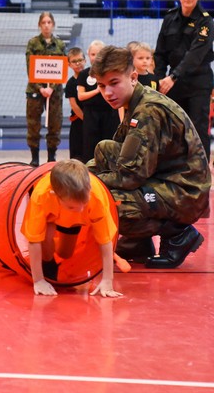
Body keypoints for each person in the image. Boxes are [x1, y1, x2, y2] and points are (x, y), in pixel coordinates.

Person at [88, 46, 211, 269]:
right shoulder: (135, 102)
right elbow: (125, 158)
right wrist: (80, 173)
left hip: (186, 192)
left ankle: (178, 235)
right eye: (101, 85)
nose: (107, 93)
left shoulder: (148, 111)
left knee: (112, 203)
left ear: (133, 77)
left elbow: (130, 177)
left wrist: (86, 182)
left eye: (114, 83)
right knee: (105, 149)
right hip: (166, 176)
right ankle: (138, 244)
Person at [21, 159, 119, 297]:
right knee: (46, 244)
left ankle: (55, 242)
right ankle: (49, 261)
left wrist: (107, 280)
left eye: (84, 204)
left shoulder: (96, 196)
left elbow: (105, 239)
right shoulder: (41, 195)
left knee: (65, 253)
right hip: (50, 216)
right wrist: (38, 280)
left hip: (75, 222)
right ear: (55, 194)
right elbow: (33, 239)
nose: (79, 209)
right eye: (72, 206)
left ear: (88, 190)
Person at [154, 0, 214, 162]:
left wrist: (172, 77)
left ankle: (200, 172)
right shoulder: (169, 18)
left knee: (197, 127)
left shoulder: (206, 22)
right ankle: (176, 170)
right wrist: (158, 81)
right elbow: (160, 53)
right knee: (174, 128)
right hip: (173, 83)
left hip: (198, 82)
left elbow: (195, 56)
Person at [25, 12, 66, 166]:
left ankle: (51, 157)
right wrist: (40, 88)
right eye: (44, 22)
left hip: (54, 92)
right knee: (33, 124)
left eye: (49, 22)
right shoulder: (33, 43)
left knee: (55, 123)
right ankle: (34, 157)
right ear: (39, 25)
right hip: (35, 90)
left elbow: (61, 69)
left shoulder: (60, 45)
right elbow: (30, 68)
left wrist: (51, 88)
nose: (47, 25)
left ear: (53, 24)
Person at [76, 40, 119, 163]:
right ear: (88, 55)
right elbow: (81, 96)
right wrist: (97, 90)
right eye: (93, 54)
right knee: (90, 143)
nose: (96, 57)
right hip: (91, 113)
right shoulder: (84, 74)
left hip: (110, 112)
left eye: (99, 54)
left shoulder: (111, 73)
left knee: (109, 142)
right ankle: (89, 171)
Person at [65, 47, 86, 161]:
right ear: (69, 65)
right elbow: (74, 105)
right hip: (79, 121)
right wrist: (86, 119)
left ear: (85, 61)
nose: (78, 63)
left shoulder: (93, 78)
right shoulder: (70, 83)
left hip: (94, 119)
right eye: (74, 61)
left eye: (80, 60)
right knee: (77, 153)